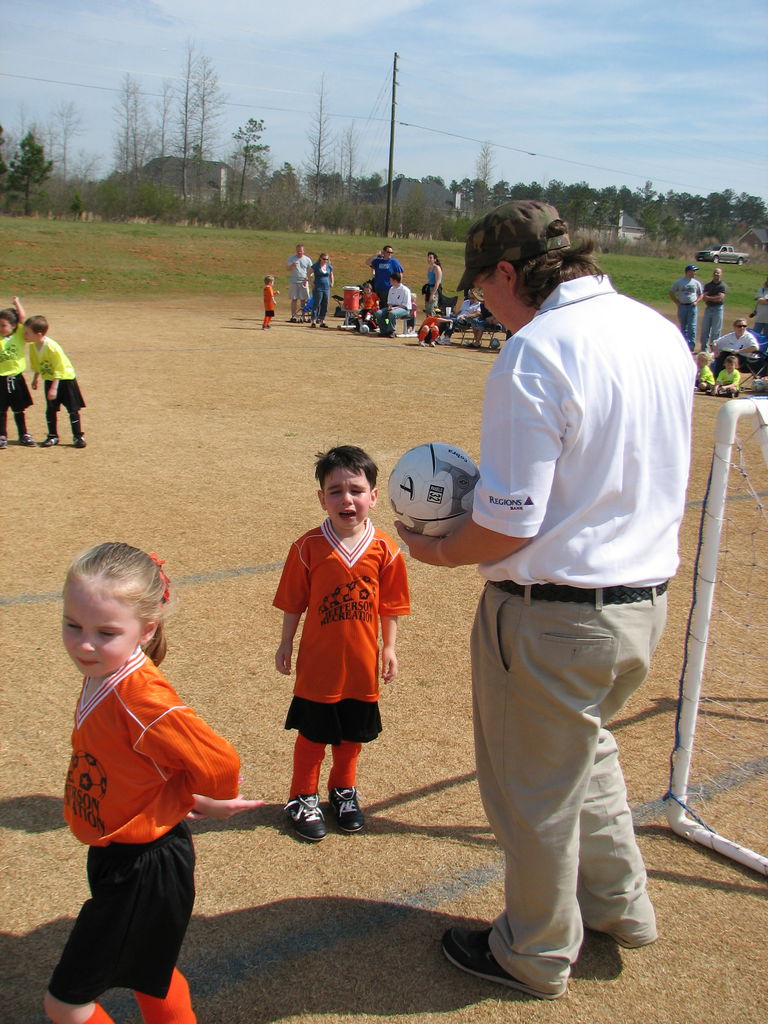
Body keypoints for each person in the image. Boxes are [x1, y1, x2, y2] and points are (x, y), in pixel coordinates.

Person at [396, 201, 693, 1000]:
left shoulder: (535, 351)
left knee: (532, 794)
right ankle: (620, 907)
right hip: (640, 608)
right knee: (585, 758)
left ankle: (532, 952)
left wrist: (438, 550)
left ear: (505, 272)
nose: (480, 303)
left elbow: (505, 522)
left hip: (552, 615)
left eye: (481, 286)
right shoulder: (658, 328)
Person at [44, 542, 262, 1024]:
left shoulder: (139, 695)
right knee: (151, 975)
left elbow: (218, 758)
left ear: (147, 630)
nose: (84, 643)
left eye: (105, 632)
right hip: (117, 852)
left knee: (65, 1005)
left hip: (144, 867)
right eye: (72, 625)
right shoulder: (106, 669)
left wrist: (211, 800)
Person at [273, 445, 410, 842]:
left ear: (374, 496)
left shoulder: (386, 549)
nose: (346, 499)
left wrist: (389, 647)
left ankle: (343, 791)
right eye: (335, 491)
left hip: (362, 665)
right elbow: (293, 601)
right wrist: (286, 642)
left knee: (352, 736)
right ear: (321, 499)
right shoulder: (308, 547)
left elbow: (391, 604)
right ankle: (302, 797)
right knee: (314, 734)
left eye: (356, 490)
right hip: (319, 665)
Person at [24, 314, 87, 448]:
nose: (24, 335)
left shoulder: (52, 347)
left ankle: (78, 436)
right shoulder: (33, 346)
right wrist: (36, 378)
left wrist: (54, 388)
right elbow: (37, 364)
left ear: (39, 334)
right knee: (51, 409)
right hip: (49, 379)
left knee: (72, 409)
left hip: (64, 379)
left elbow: (60, 367)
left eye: (27, 333)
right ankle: (52, 436)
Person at [0, 295, 35, 448]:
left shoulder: (20, 334)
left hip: (16, 378)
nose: (0, 328)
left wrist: (17, 302)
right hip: (1, 379)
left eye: (3, 325)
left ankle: (23, 434)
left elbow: (22, 317)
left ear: (13, 326)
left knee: (19, 409)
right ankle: (2, 435)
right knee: (1, 410)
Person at [669, 264, 703, 351]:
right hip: (683, 306)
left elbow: (701, 294)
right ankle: (683, 344)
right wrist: (677, 302)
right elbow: (671, 292)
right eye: (693, 271)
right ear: (688, 272)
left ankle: (691, 346)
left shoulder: (696, 283)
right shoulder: (680, 282)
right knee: (683, 326)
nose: (695, 273)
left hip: (692, 306)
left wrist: (696, 301)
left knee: (692, 326)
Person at [699, 268, 727, 352]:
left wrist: (709, 298)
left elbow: (720, 298)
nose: (716, 274)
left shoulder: (722, 285)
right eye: (715, 272)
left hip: (718, 309)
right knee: (705, 329)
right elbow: (704, 297)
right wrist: (712, 298)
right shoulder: (708, 285)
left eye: (718, 273)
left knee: (716, 331)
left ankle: (714, 350)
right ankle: (703, 349)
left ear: (721, 274)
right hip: (709, 308)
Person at [286, 244, 313, 322]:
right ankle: (293, 315)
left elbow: (311, 271)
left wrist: (308, 278)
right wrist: (292, 265)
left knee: (303, 299)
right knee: (294, 299)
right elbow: (287, 268)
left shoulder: (307, 260)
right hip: (294, 281)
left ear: (303, 251)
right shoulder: (292, 258)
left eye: (300, 251)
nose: (299, 252)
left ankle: (304, 316)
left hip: (304, 281)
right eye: (298, 251)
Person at [309, 252, 334, 329]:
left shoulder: (329, 266)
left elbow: (331, 275)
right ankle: (313, 320)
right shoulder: (316, 266)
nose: (325, 261)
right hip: (318, 287)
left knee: (325, 303)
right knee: (317, 303)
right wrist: (311, 283)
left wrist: (332, 282)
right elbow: (309, 273)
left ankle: (322, 320)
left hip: (326, 287)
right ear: (320, 259)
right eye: (324, 259)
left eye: (327, 259)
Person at [751, 276, 768, 340]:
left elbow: (761, 300)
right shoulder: (762, 290)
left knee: (766, 338)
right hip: (760, 318)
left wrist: (764, 300)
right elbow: (759, 300)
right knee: (755, 337)